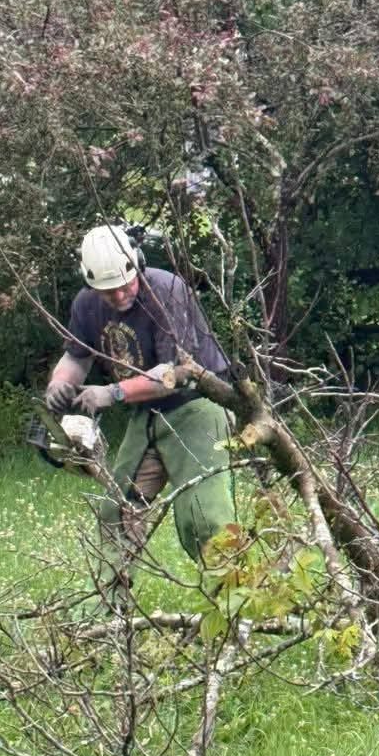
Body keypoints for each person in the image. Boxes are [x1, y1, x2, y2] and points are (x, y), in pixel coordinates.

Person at [45, 224, 235, 585]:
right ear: (90, 284)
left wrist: (112, 393)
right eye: (107, 291)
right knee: (117, 512)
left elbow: (176, 374)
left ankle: (232, 611)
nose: (118, 296)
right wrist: (59, 383)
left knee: (203, 517)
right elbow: (76, 356)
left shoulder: (167, 291)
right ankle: (112, 617)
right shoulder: (86, 305)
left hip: (198, 405)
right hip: (147, 413)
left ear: (138, 265)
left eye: (125, 285)